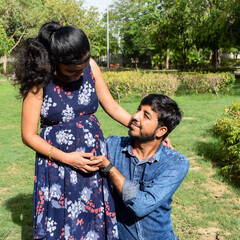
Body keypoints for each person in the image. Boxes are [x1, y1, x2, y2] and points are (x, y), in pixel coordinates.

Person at [13, 21, 133, 239]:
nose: (80, 73)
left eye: (83, 66)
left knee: (93, 220)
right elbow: (28, 135)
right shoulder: (40, 80)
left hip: (92, 160)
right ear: (54, 61)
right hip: (58, 165)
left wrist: (146, 131)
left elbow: (113, 107)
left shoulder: (90, 67)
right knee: (63, 222)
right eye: (73, 70)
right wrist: (68, 159)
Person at [91, 94, 189, 240]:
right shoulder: (112, 146)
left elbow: (141, 206)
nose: (135, 116)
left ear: (161, 131)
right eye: (138, 110)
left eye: (146, 115)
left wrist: (110, 168)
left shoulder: (176, 163)